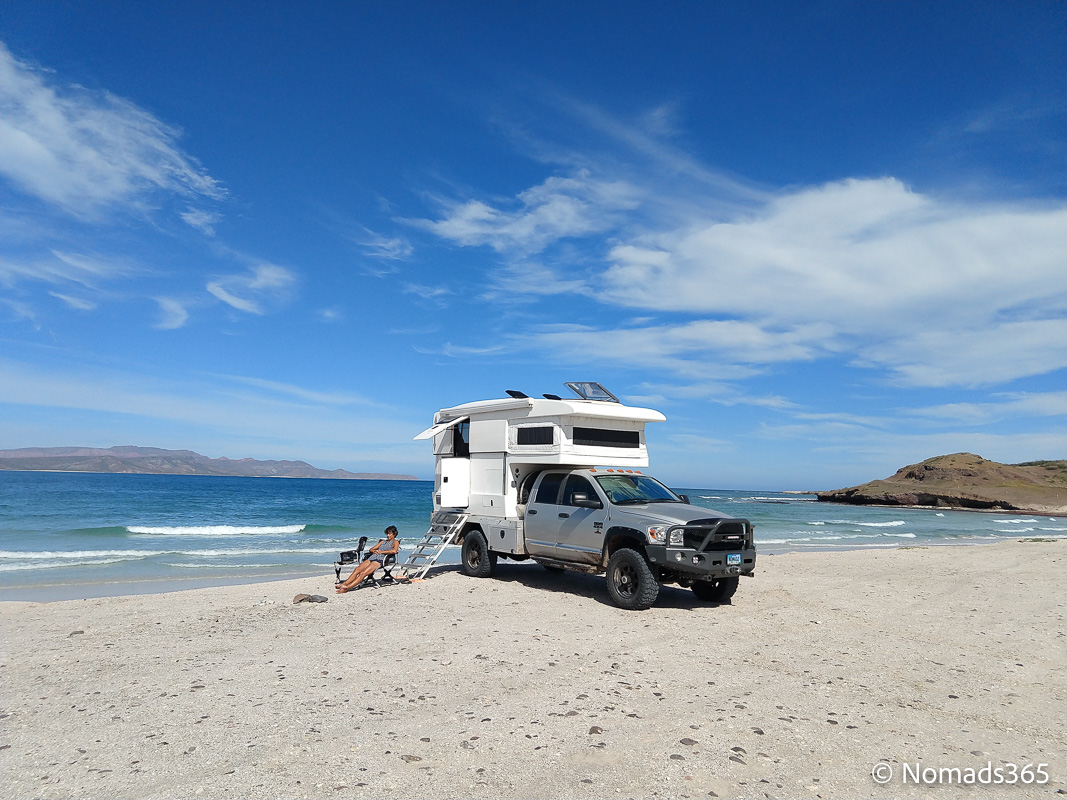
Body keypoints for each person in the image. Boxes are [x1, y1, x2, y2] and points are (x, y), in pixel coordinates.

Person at [336, 526, 399, 592]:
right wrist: (374, 551)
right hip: (372, 558)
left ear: (394, 534)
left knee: (362, 573)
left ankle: (347, 588)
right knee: (357, 570)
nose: (387, 535)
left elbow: (394, 551)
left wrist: (381, 552)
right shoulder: (382, 542)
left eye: (389, 533)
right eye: (387, 533)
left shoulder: (395, 542)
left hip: (380, 560)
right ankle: (344, 584)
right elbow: (371, 549)